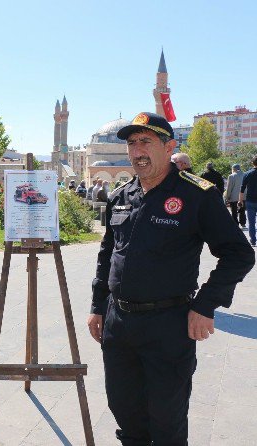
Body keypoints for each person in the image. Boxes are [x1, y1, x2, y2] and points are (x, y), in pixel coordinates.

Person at [87, 112, 254, 445]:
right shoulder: (122, 195)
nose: (137, 151)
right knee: (126, 414)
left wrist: (206, 305)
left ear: (169, 147)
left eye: (146, 141)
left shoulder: (196, 195)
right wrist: (97, 305)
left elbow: (239, 253)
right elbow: (108, 254)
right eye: (132, 143)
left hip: (168, 325)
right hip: (119, 325)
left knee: (166, 423)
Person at [239, 155, 257, 247]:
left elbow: (242, 189)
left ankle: (253, 240)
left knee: (251, 222)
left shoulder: (247, 174)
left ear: (252, 163)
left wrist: (240, 200)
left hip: (250, 201)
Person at [225, 163, 246, 228]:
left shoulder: (231, 176)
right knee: (242, 210)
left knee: (234, 211)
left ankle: (235, 224)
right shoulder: (245, 175)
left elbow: (229, 188)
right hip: (243, 196)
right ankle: (243, 223)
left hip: (234, 197)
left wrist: (227, 196)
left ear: (233, 169)